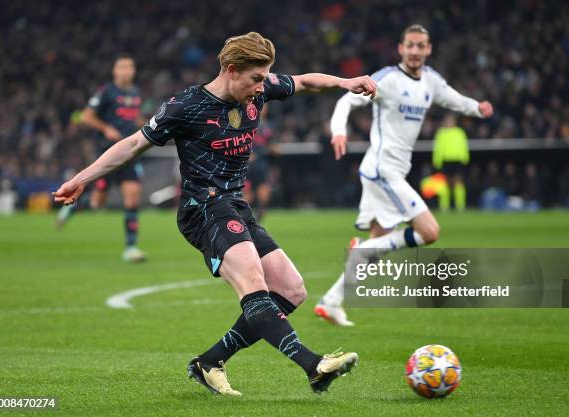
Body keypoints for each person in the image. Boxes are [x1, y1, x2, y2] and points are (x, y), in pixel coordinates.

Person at [53, 32, 376, 396]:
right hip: (203, 209)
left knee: (291, 289)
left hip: (235, 205)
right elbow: (133, 145)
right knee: (254, 282)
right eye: (255, 79)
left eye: (265, 77)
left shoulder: (261, 86)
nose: (261, 87)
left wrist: (346, 82)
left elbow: (305, 82)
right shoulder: (185, 107)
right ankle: (313, 365)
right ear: (231, 70)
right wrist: (80, 179)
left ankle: (209, 362)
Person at [314, 24, 493, 326]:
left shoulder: (431, 82)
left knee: (379, 244)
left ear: (428, 49)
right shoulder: (387, 79)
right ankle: (363, 250)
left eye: (420, 46)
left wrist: (477, 108)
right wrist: (339, 131)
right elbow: (347, 100)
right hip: (384, 170)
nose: (414, 51)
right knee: (429, 232)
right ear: (400, 48)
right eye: (409, 45)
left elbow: (454, 99)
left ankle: (331, 301)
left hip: (389, 170)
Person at [56, 53, 147, 263]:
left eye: (130, 67)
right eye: (122, 67)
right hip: (108, 153)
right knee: (98, 203)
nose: (127, 71)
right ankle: (74, 206)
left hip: (130, 152)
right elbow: (85, 116)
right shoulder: (106, 92)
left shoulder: (135, 93)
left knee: (132, 197)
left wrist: (147, 123)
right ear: (115, 71)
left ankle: (131, 248)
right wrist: (106, 128)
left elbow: (133, 117)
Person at [432, 113, 470, 211]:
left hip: (457, 159)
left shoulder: (459, 132)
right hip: (445, 160)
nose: (449, 122)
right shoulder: (441, 133)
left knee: (458, 183)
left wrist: (465, 157)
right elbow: (438, 148)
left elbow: (464, 146)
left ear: (454, 122)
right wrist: (437, 160)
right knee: (445, 184)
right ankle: (444, 206)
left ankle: (460, 205)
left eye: (451, 120)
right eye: (447, 120)